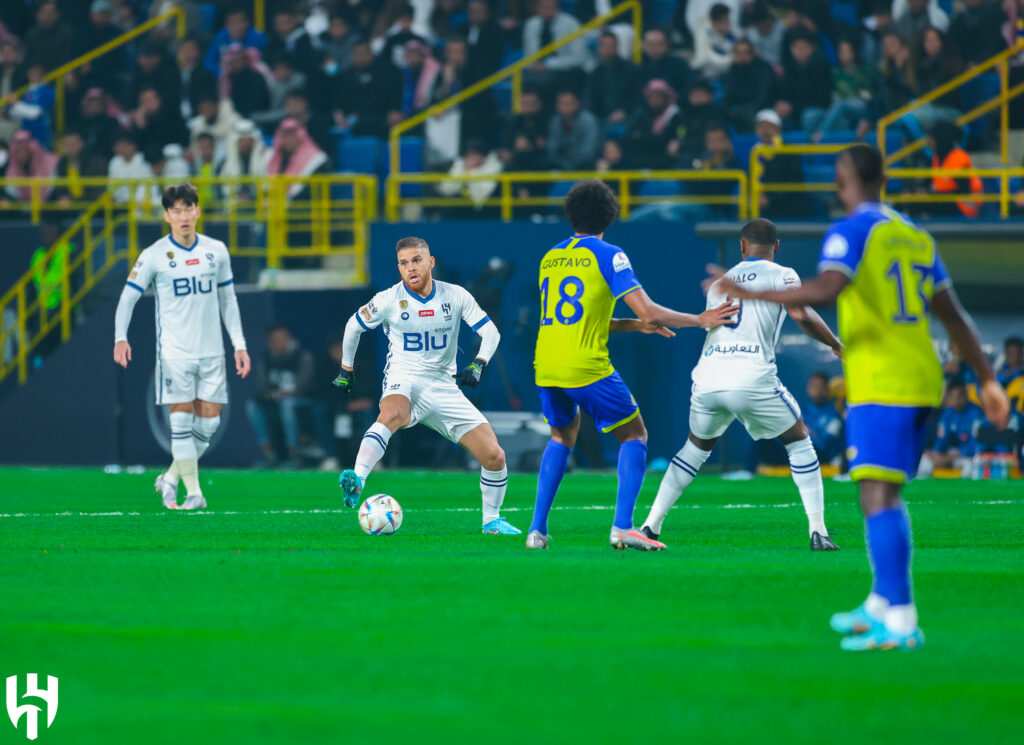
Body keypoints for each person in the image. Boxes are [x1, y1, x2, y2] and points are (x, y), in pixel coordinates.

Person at [708, 144, 1010, 650]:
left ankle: (902, 619)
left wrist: (754, 293)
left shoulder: (850, 230)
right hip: (921, 376)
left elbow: (828, 287)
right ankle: (880, 602)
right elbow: (953, 314)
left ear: (843, 180)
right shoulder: (916, 236)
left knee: (876, 492)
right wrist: (988, 379)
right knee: (881, 490)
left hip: (883, 380)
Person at [526, 179, 739, 551]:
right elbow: (650, 310)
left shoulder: (550, 257)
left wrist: (633, 326)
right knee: (635, 435)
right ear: (610, 215)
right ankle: (623, 527)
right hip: (586, 365)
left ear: (571, 214)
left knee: (561, 437)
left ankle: (536, 532)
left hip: (546, 363)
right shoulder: (610, 254)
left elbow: (579, 319)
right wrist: (699, 319)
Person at [640, 219, 842, 549]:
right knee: (799, 441)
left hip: (709, 376)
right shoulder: (784, 275)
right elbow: (801, 314)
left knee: (694, 449)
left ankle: (650, 526)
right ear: (776, 247)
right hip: (752, 376)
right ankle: (818, 531)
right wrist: (834, 344)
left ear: (742, 246)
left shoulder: (720, 283)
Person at [332, 236, 521, 535]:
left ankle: (491, 521)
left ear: (430, 262)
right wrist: (346, 369)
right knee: (392, 413)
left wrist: (479, 363)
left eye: (416, 260)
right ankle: (358, 479)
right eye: (404, 263)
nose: (411, 268)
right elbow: (354, 325)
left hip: (444, 386)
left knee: (494, 456)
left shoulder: (455, 295)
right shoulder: (388, 299)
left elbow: (491, 332)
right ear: (399, 268)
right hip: (404, 378)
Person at [113, 183, 250, 510]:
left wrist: (239, 344)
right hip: (174, 353)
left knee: (209, 423)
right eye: (176, 210)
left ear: (198, 211)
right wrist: (120, 337)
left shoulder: (216, 250)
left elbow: (228, 300)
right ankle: (194, 493)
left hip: (212, 351)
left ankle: (171, 478)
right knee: (180, 423)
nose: (183, 216)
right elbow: (128, 298)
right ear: (166, 216)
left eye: (188, 208)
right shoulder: (154, 255)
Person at [246, 323, 316, 467]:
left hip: (301, 400)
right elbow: (261, 386)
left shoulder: (302, 355)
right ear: (270, 342)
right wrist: (270, 394)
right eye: (275, 339)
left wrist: (288, 394)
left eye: (282, 338)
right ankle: (268, 454)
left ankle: (294, 454)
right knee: (252, 406)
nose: (279, 342)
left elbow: (305, 386)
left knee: (287, 404)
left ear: (289, 338)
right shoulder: (266, 357)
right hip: (275, 400)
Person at [921, 379, 984, 472]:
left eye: (959, 396)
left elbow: (976, 444)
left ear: (965, 394)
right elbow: (941, 440)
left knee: (968, 467)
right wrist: (937, 453)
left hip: (968, 456)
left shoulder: (976, 414)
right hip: (950, 455)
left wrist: (953, 456)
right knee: (924, 464)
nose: (957, 400)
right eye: (953, 397)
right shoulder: (947, 414)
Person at [722, 38, 778, 134]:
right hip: (739, 109)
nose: (741, 56)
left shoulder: (763, 69)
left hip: (762, 109)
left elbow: (763, 96)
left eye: (745, 53)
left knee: (750, 116)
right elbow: (728, 97)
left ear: (752, 54)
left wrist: (746, 109)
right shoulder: (731, 72)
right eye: (738, 53)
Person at [546, 89, 600, 171]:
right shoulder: (555, 121)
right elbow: (552, 151)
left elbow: (588, 153)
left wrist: (569, 165)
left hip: (585, 167)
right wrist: (564, 165)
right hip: (561, 167)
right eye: (562, 104)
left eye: (570, 103)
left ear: (578, 104)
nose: (566, 107)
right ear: (557, 106)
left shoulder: (588, 121)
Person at [804, 371, 845, 464]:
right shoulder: (801, 412)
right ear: (808, 389)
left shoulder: (835, 416)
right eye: (814, 386)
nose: (818, 391)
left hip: (825, 459)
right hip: (800, 455)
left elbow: (823, 444)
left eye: (821, 387)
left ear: (828, 390)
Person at [692, 3, 736, 80]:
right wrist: (732, 59)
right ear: (715, 22)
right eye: (726, 20)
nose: (729, 23)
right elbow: (707, 58)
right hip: (704, 74)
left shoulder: (731, 32)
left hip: (725, 73)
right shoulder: (703, 32)